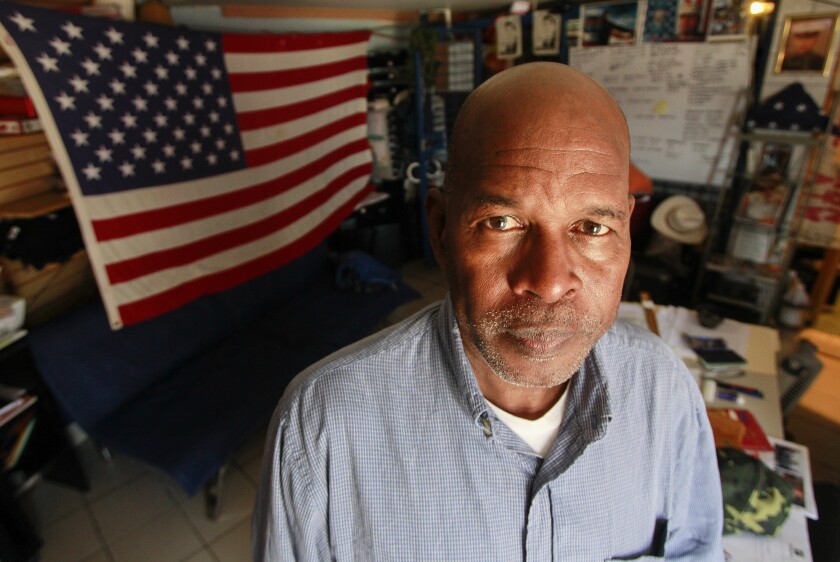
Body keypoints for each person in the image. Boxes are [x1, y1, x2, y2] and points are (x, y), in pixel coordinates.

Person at [252, 62, 723, 560]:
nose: (548, 283)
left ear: (627, 230)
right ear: (440, 230)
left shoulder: (663, 390)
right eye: (502, 222)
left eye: (591, 228)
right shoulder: (323, 425)